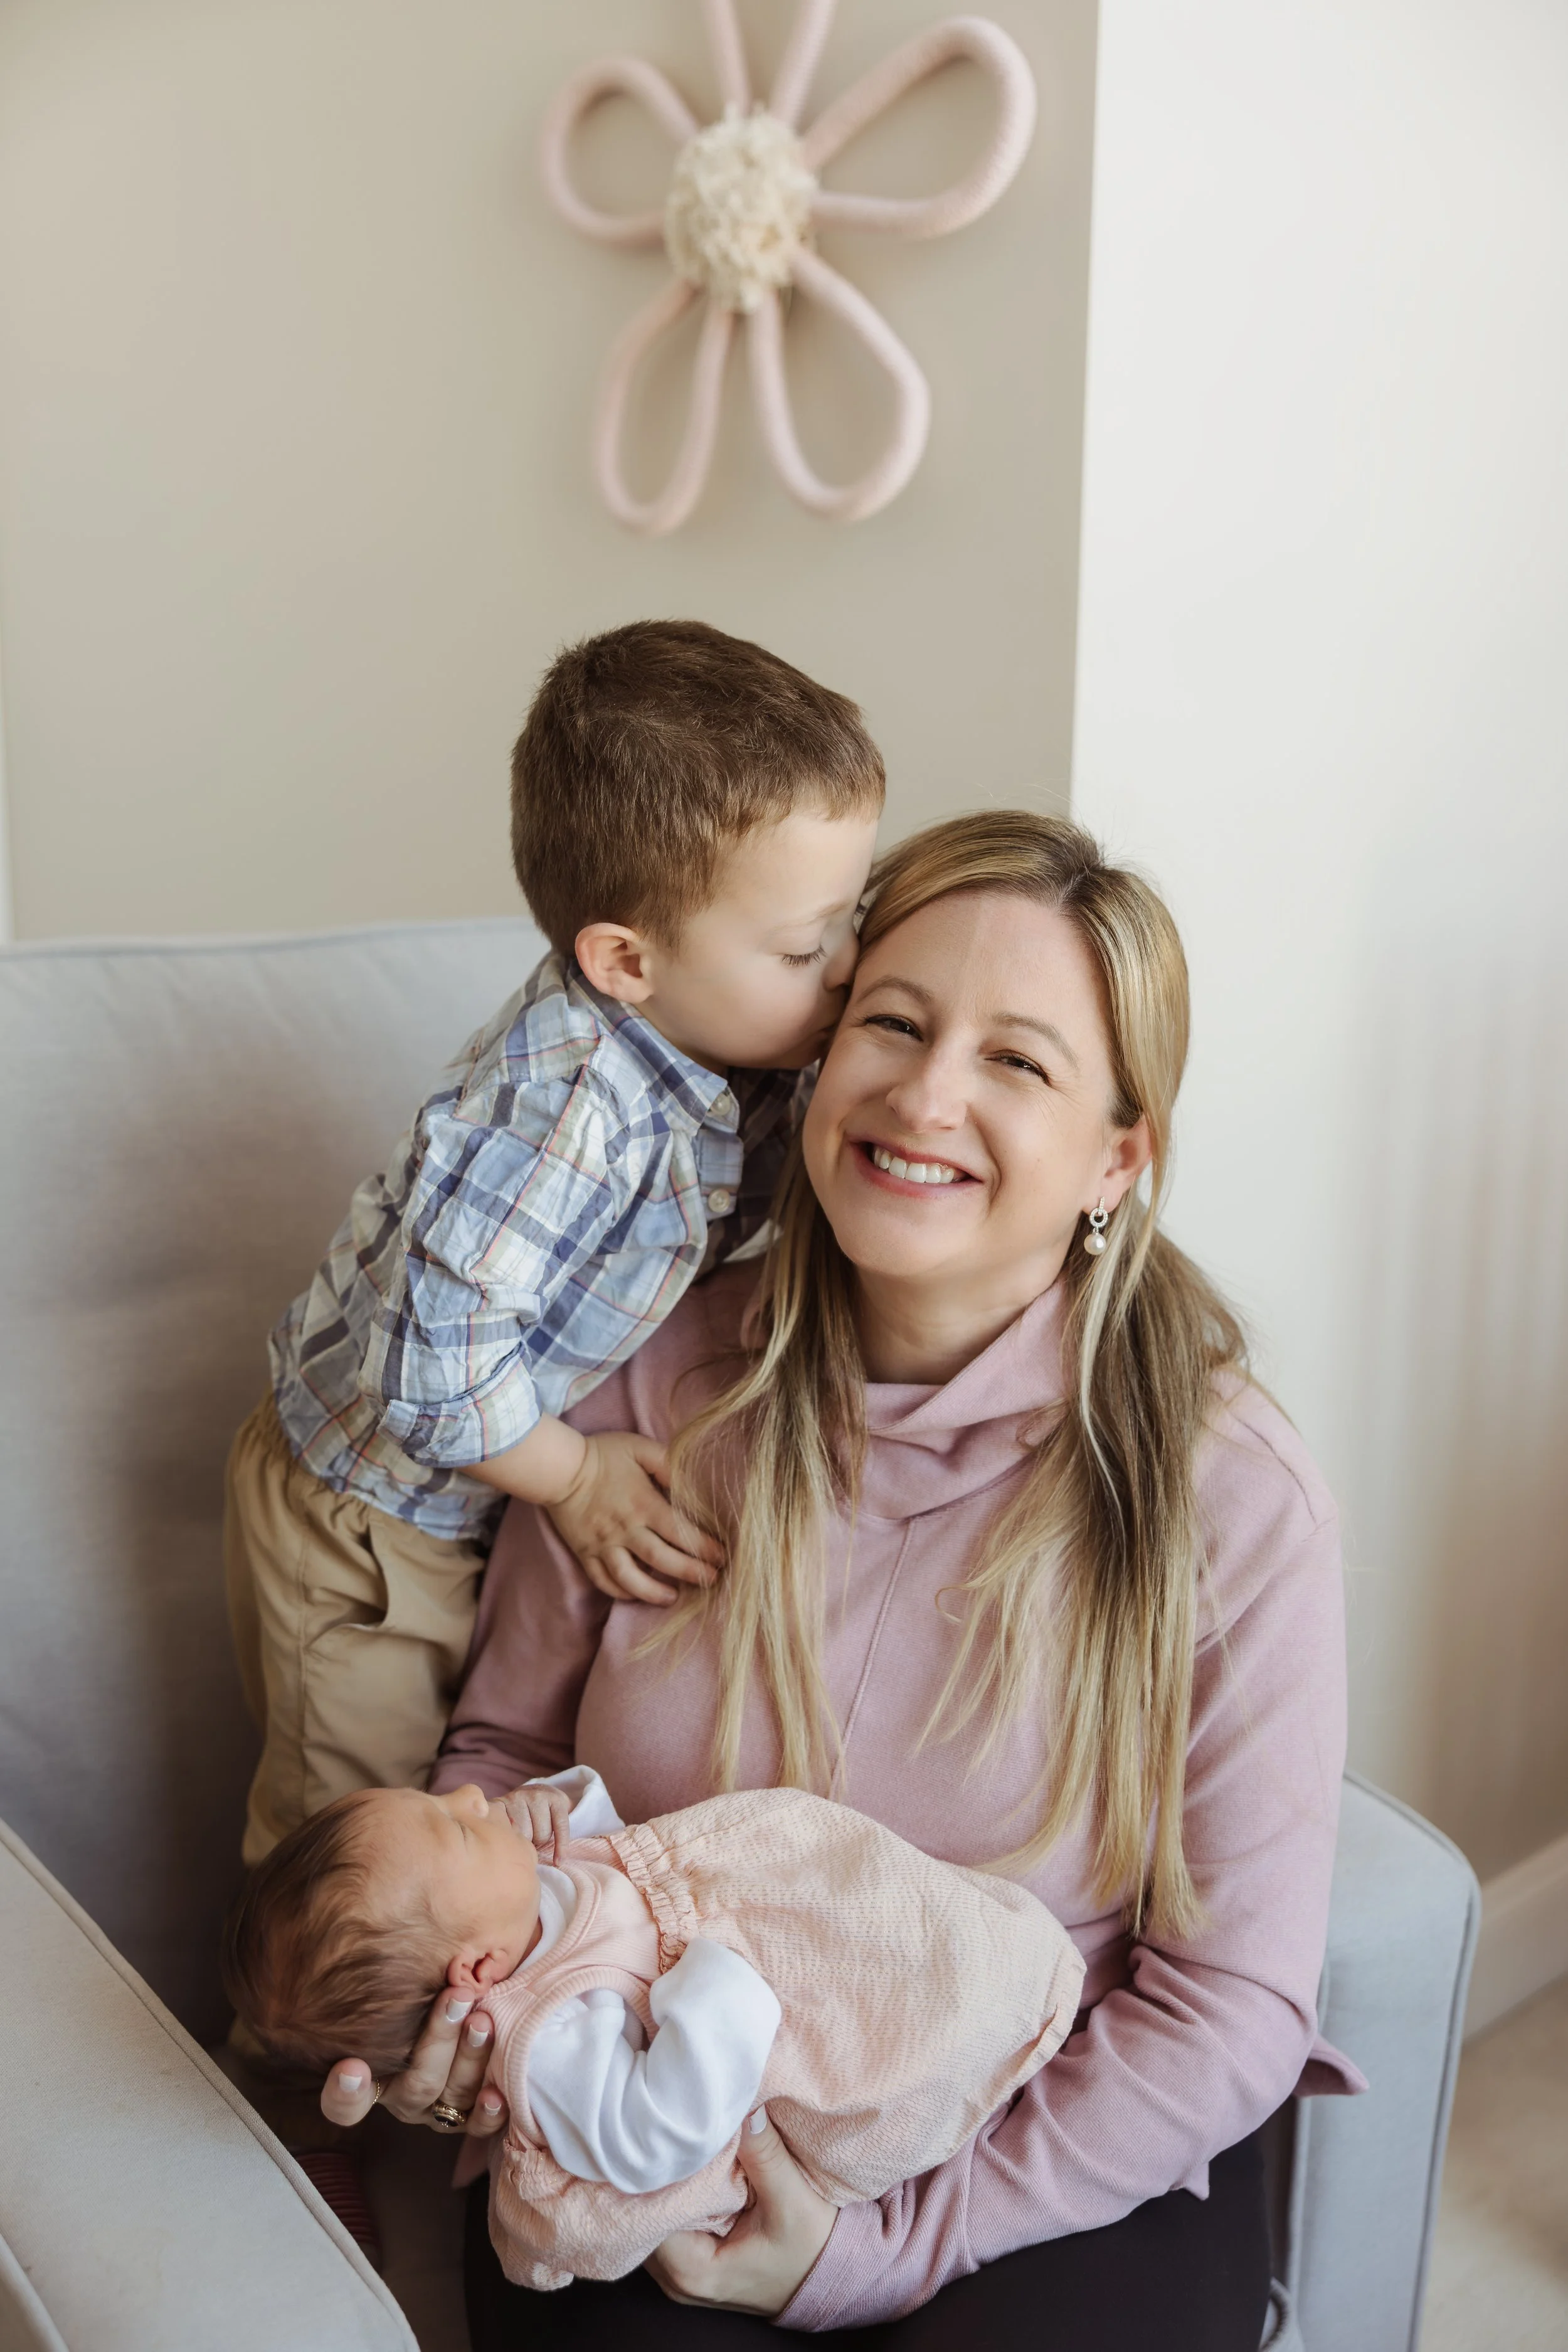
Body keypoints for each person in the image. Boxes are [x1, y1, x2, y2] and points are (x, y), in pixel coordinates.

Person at [322, 810, 1359, 2351]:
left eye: (1016, 1061)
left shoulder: (1229, 1493)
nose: (925, 1096)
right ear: (817, 1053)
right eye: (892, 1022)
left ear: (1116, 1155)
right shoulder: (644, 1380)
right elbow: (504, 1754)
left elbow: (1228, 2004)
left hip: (1040, 2145)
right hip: (651, 2137)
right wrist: (459, 2004)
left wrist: (882, 2250)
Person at [223, 620, 883, 1870]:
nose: (847, 968)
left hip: (473, 1483)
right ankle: (282, 2003)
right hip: (363, 1512)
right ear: (625, 961)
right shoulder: (559, 1110)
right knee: (360, 1854)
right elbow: (427, 1377)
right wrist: (574, 1479)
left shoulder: (734, 1031)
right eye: (808, 947)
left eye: (851, 918)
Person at [222, 1765, 1083, 2289]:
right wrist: (712, 1979)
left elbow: (614, 1872)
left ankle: (991, 1962)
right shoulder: (554, 2040)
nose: (473, 1791)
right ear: (478, 1971)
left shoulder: (513, 1907)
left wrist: (558, 1806)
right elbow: (657, 2133)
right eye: (456, 1824)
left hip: (777, 1930)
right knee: (906, 2018)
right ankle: (984, 2019)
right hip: (766, 2024)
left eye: (439, 1794)